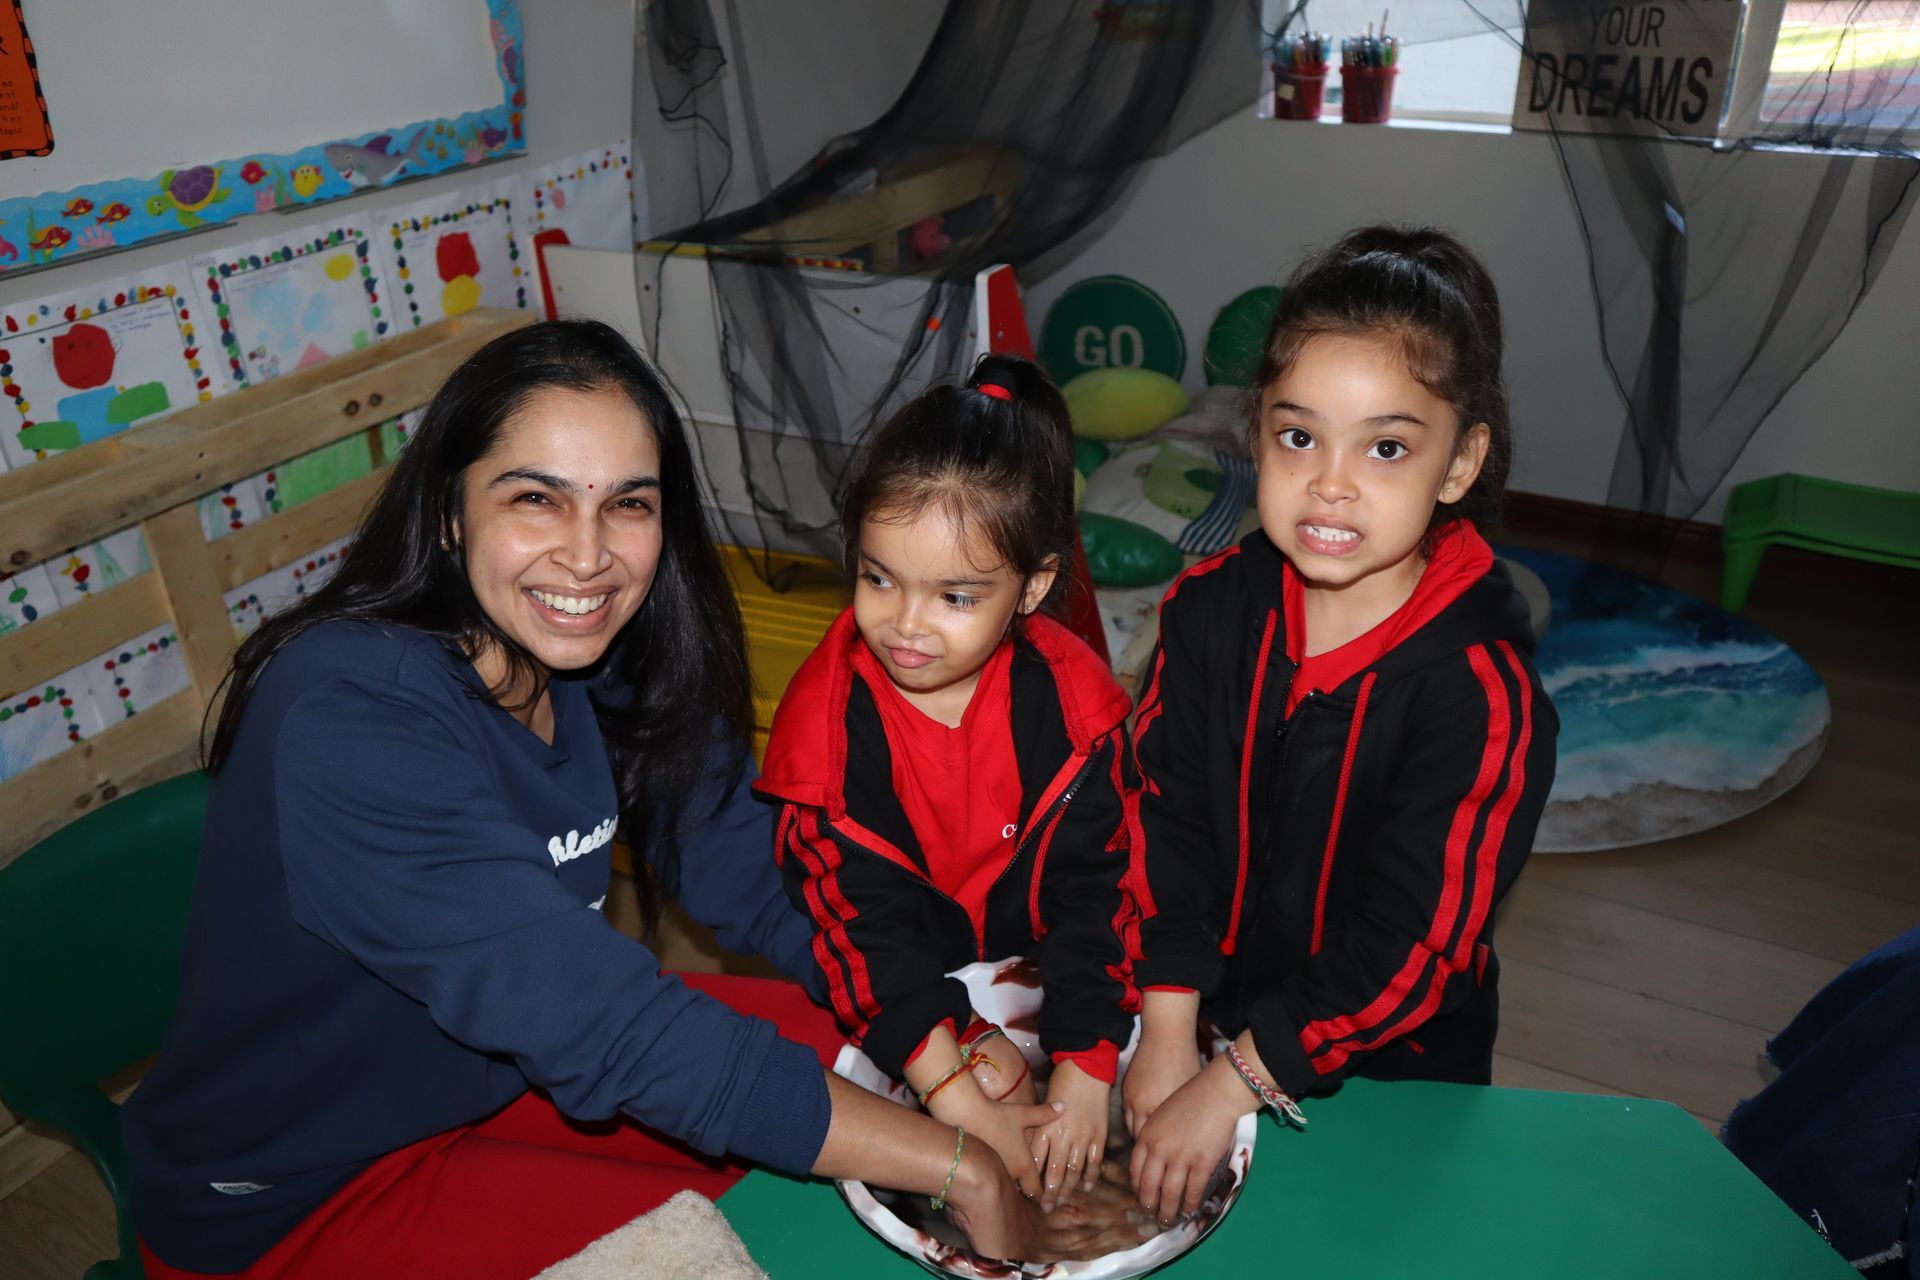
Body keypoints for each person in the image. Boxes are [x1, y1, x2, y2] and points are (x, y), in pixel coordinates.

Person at [121, 320, 1075, 1279]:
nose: (588, 557)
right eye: (537, 498)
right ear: (451, 510)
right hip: (295, 1199)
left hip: (491, 1083)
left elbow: (760, 867)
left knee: (864, 1081)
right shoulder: (347, 717)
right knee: (792, 1243)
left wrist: (947, 1034)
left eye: (628, 504)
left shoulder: (602, 658)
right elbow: (607, 1027)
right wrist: (961, 1163)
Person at [1120, 226, 1560, 1224]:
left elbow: (1416, 948)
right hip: (1205, 1018)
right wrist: (1169, 1022)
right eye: (1298, 434)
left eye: (1388, 446)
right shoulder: (1206, 612)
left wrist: (1231, 1079)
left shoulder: (1481, 698)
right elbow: (1162, 817)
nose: (1331, 482)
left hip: (1394, 1076)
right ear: (1256, 432)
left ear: (1461, 463)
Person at [754, 354, 1138, 1211]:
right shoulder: (823, 750)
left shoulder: (1079, 713)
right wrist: (961, 1103)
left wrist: (1083, 1069)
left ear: (1033, 587)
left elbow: (1098, 897)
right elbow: (866, 943)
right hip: (902, 1009)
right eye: (878, 577)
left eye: (956, 597)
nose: (906, 625)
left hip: (1051, 987)